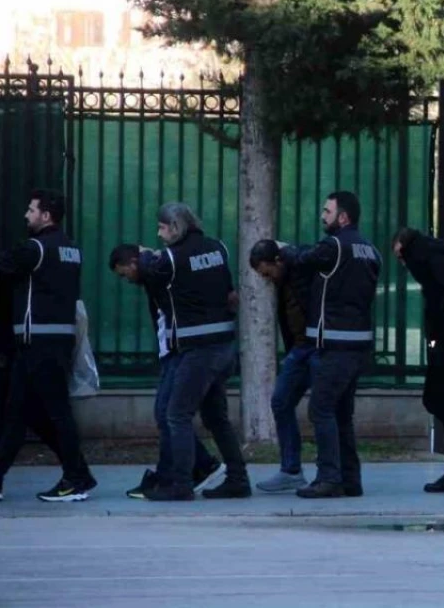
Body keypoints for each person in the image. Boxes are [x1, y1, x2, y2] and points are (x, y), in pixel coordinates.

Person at [138, 203, 250, 501]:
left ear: (176, 227)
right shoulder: (218, 248)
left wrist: (145, 255)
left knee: (176, 415)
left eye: (162, 227)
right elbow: (229, 294)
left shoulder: (172, 258)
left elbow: (148, 271)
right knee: (216, 418)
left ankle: (181, 484)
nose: (159, 234)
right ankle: (238, 479)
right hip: (224, 344)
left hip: (197, 349)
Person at [281, 191, 380, 499]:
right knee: (341, 415)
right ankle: (350, 479)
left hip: (335, 344)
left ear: (343, 217)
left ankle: (329, 478)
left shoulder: (334, 245)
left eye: (328, 211)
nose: (323, 216)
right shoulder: (370, 249)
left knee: (321, 410)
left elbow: (302, 259)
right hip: (358, 344)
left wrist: (283, 249)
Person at [0, 190, 96, 502]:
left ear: (46, 215)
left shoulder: (36, 248)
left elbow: (5, 266)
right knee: (20, 413)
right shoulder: (71, 249)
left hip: (38, 342)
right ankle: (78, 474)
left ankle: (77, 478)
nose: (26, 215)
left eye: (31, 210)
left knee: (54, 413)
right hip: (56, 340)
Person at [109, 244, 224, 499]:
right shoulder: (152, 275)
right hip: (172, 351)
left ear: (133, 263)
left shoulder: (158, 271)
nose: (126, 280)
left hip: (178, 350)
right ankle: (199, 465)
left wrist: (148, 257)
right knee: (169, 415)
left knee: (169, 414)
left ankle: (178, 474)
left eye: (124, 273)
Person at [393, 227, 444, 493]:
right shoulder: (434, 257)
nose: (403, 264)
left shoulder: (434, 260)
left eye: (402, 256)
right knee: (443, 403)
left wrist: (441, 332)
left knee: (440, 401)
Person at [248, 239, 316, 494]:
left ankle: (330, 471)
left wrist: (288, 252)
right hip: (299, 349)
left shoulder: (299, 266)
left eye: (267, 273)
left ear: (277, 261)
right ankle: (292, 470)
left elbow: (310, 254)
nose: (267, 279)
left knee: (324, 409)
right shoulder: (283, 278)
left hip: (314, 346)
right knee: (281, 402)